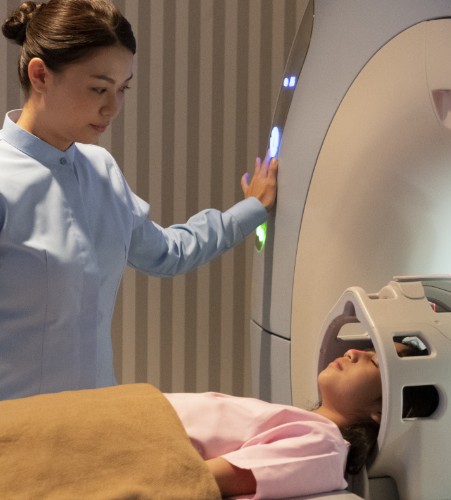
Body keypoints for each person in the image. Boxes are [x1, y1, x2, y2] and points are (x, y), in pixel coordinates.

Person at [0, 0, 278, 400]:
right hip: (17, 437)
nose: (113, 107)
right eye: (99, 88)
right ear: (41, 75)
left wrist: (250, 210)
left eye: (122, 89)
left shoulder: (101, 170)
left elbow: (167, 252)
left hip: (98, 422)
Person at [167, 341, 427, 498]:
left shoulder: (325, 445)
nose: (352, 351)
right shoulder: (308, 427)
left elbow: (198, 480)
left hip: (153, 443)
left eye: (373, 361)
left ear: (383, 410)